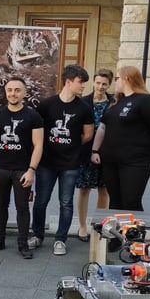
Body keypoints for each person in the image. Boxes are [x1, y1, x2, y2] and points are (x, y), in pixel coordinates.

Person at [29, 64, 94, 256]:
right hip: (47, 163)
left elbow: (88, 134)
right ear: (68, 82)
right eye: (80, 82)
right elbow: (37, 132)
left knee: (66, 202)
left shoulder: (84, 108)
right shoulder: (47, 104)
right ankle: (37, 235)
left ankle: (60, 239)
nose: (83, 87)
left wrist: (71, 144)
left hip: (70, 164)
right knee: (41, 201)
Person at [90, 65, 150, 211]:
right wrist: (95, 150)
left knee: (131, 201)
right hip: (111, 160)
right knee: (115, 201)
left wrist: (141, 138)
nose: (115, 82)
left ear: (127, 79)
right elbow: (103, 126)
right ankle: (117, 232)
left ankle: (133, 232)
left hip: (135, 161)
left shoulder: (145, 100)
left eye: (117, 78)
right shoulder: (116, 100)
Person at [0, 76, 43, 259]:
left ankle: (23, 244)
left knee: (22, 208)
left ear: (24, 93)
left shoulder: (33, 116)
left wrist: (31, 170)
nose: (13, 93)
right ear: (5, 92)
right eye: (10, 90)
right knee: (0, 206)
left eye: (17, 90)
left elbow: (38, 145)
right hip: (1, 170)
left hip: (22, 171)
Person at [75, 69, 114, 242]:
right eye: (98, 83)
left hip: (107, 152)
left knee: (104, 190)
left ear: (109, 85)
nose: (100, 86)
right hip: (85, 152)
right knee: (84, 189)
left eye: (104, 84)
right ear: (94, 82)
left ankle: (98, 225)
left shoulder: (114, 102)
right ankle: (82, 226)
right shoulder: (83, 101)